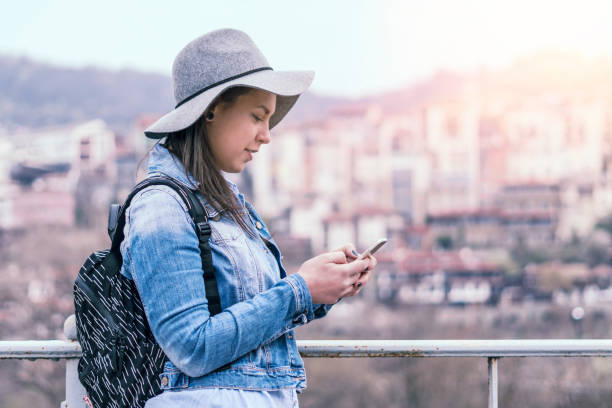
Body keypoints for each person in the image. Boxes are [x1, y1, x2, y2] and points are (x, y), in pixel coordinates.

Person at [120, 28, 377, 407]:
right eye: (258, 117)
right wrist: (300, 290)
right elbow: (191, 347)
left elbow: (251, 316)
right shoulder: (162, 207)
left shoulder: (222, 202)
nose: (266, 135)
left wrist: (323, 287)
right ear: (211, 110)